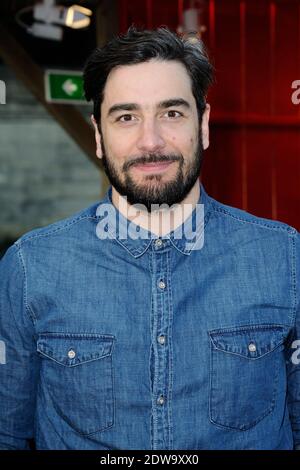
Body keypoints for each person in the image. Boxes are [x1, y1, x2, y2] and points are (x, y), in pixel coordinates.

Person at [0, 26, 299, 451]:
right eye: (126, 117)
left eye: (172, 113)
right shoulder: (31, 267)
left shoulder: (285, 258)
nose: (151, 141)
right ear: (99, 137)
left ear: (205, 125)